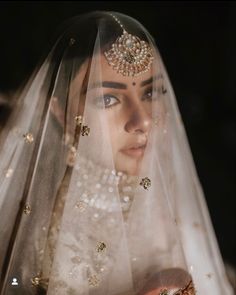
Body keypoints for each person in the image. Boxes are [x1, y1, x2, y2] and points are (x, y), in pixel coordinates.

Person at [0, 11, 233, 295]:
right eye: (108, 98)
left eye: (151, 93)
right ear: (60, 111)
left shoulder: (185, 191)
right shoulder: (35, 228)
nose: (143, 120)